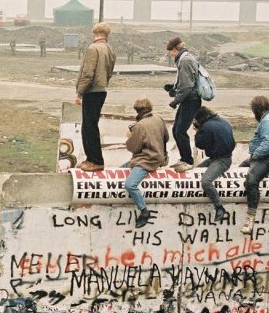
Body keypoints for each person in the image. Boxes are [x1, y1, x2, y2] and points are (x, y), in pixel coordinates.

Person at [241, 96, 269, 235]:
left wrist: (256, 154)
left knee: (252, 179)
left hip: (268, 158)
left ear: (257, 110)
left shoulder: (268, 121)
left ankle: (251, 216)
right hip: (266, 156)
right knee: (241, 167)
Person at [75, 23, 117, 172]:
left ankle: (95, 160)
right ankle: (91, 159)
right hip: (102, 90)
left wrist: (80, 92)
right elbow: (109, 71)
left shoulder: (93, 49)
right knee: (92, 125)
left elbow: (88, 73)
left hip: (91, 91)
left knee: (88, 127)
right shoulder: (110, 49)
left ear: (94, 33)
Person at [123, 97, 169, 229]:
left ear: (137, 110)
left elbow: (133, 148)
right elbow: (166, 137)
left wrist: (130, 136)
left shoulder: (139, 126)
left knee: (130, 185)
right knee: (122, 168)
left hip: (146, 161)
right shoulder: (159, 119)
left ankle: (144, 211)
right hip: (160, 158)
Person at [164, 37, 201, 173]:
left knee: (180, 131)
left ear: (175, 49)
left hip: (190, 100)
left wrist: (175, 101)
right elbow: (184, 81)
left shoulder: (185, 60)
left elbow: (186, 86)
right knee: (176, 130)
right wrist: (173, 88)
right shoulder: (185, 58)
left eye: (170, 51)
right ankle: (184, 158)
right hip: (188, 100)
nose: (170, 54)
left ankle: (188, 161)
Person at [193, 106, 235, 222]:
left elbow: (200, 144)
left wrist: (197, 131)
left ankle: (219, 207)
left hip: (221, 160)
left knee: (206, 181)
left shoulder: (206, 126)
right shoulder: (223, 121)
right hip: (222, 157)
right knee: (196, 170)